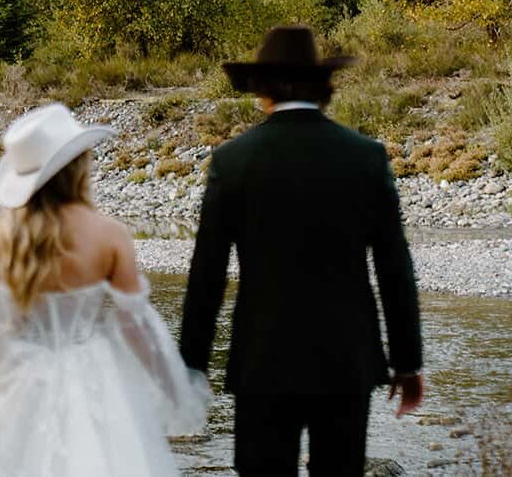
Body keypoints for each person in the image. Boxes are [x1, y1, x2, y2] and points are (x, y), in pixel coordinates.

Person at [180, 25, 424, 477]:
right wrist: (407, 361)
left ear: (262, 88)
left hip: (262, 359)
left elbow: (206, 274)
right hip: (346, 359)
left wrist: (192, 363)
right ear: (322, 86)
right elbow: (394, 267)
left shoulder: (234, 160)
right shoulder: (365, 156)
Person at [0, 102, 209, 477]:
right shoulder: (109, 235)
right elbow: (138, 327)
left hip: (12, 376)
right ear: (78, 167)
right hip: (88, 379)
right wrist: (174, 389)